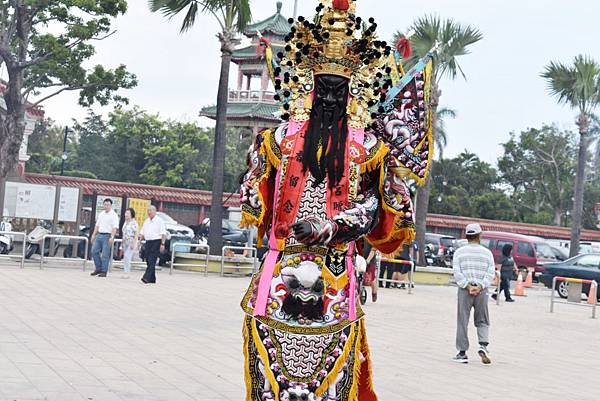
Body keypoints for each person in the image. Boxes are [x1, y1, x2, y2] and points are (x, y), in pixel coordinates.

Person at [238, 1, 434, 398]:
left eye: (339, 87)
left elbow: (377, 207)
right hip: (281, 269)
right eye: (322, 85)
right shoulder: (278, 140)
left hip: (335, 276)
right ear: (307, 84)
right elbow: (254, 199)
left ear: (355, 90)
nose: (330, 95)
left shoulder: (371, 146)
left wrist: (332, 226)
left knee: (330, 383)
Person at [452, 223, 495, 365]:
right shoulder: (487, 253)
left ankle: (462, 353)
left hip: (465, 290)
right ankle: (483, 345)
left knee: (463, 320)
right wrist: (480, 286)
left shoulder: (459, 252)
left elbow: (457, 272)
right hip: (482, 291)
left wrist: (468, 285)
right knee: (482, 319)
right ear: (479, 236)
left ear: (466, 236)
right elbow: (490, 273)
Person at [90, 199, 119, 277]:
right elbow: (97, 225)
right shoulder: (101, 214)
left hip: (107, 235)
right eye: (105, 205)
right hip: (99, 234)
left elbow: (114, 227)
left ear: (111, 206)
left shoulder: (114, 215)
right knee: (94, 251)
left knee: (105, 254)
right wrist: (93, 235)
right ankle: (98, 268)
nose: (106, 206)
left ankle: (104, 271)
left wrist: (112, 237)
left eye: (108, 205)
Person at [140, 205, 166, 284]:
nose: (149, 212)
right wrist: (139, 240)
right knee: (148, 259)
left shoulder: (159, 221)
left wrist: (162, 244)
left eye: (150, 210)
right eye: (148, 210)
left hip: (156, 242)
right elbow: (142, 232)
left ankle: (146, 277)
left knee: (152, 259)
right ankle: (152, 278)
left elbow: (163, 233)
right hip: (148, 242)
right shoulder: (146, 221)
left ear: (155, 211)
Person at [120, 208, 138, 279]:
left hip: (131, 242)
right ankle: (125, 272)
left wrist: (133, 243)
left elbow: (136, 233)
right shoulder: (125, 222)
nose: (126, 215)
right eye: (126, 213)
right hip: (125, 242)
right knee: (125, 257)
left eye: (128, 213)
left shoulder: (134, 223)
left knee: (127, 256)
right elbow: (124, 233)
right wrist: (122, 243)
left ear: (131, 215)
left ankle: (127, 273)